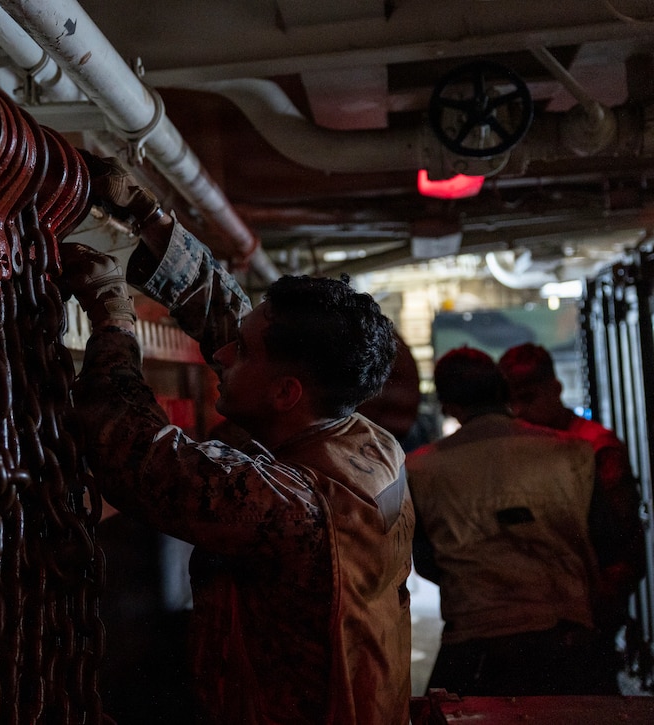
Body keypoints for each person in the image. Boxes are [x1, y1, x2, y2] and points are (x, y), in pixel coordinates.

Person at [59, 153, 414, 724]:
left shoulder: (293, 508)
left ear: (286, 395)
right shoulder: (367, 442)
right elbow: (241, 326)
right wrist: (151, 220)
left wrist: (115, 327)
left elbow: (132, 452)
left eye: (239, 354)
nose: (219, 355)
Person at [405, 346, 601, 696]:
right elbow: (602, 543)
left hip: (476, 644)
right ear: (502, 391)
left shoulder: (420, 469)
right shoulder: (573, 452)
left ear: (447, 405)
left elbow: (425, 561)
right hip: (567, 637)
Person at [498, 342, 646, 693]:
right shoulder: (525, 447)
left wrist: (601, 606)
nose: (520, 411)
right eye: (512, 403)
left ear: (555, 389)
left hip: (587, 611)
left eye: (529, 398)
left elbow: (625, 543)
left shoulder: (595, 447)